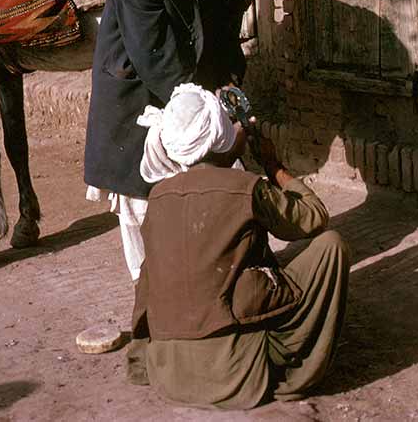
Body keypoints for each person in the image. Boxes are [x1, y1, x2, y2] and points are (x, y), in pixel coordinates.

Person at [128, 83, 350, 408]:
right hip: (233, 377)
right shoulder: (246, 188)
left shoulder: (159, 197)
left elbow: (146, 287)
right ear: (220, 136)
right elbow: (314, 217)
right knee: (331, 246)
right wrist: (274, 167)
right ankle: (297, 367)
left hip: (168, 373)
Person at [84, 0, 257, 280]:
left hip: (188, 100)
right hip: (140, 105)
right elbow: (157, 59)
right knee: (148, 216)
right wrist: (208, 116)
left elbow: (218, 34)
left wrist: (229, 84)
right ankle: (154, 309)